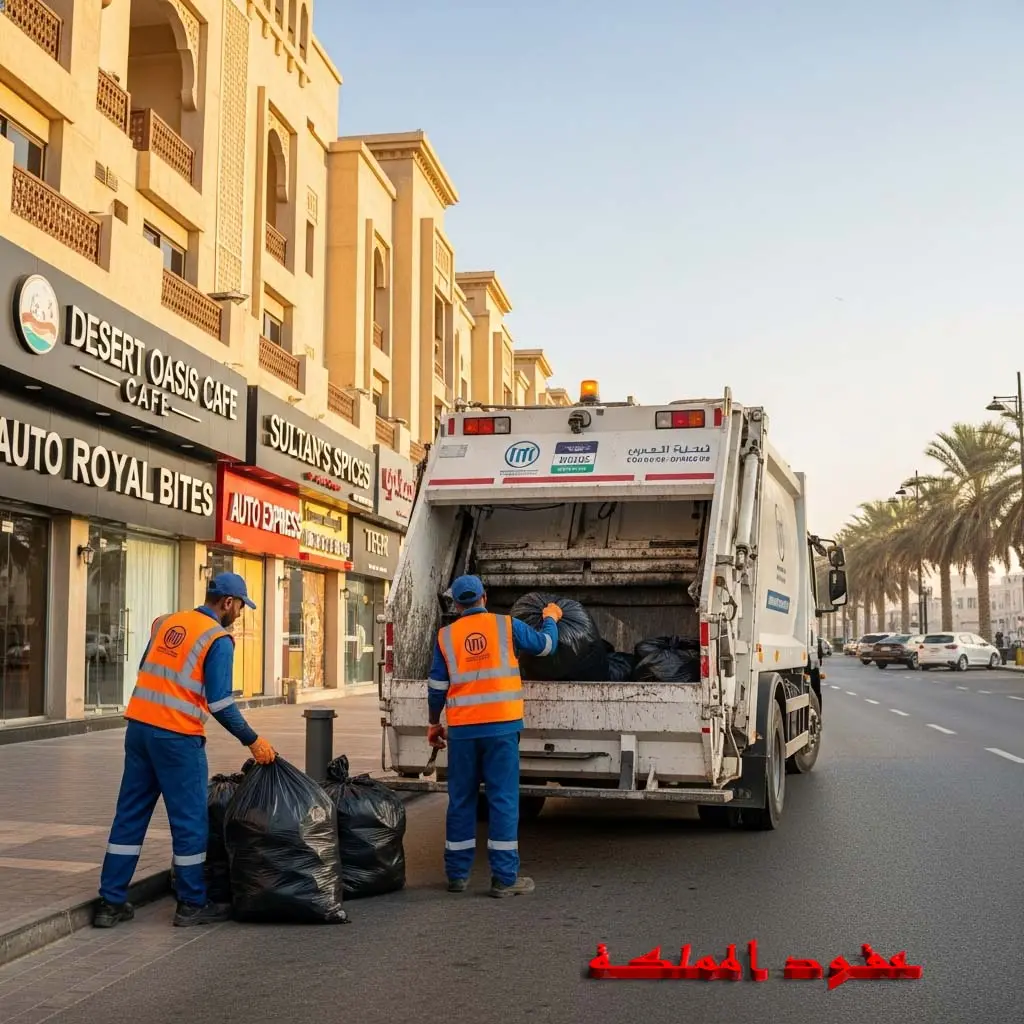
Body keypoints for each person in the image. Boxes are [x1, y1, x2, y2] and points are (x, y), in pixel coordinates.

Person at [93, 572, 277, 929]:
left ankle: (110, 902)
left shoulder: (165, 622)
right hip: (177, 738)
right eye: (240, 606)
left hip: (139, 730)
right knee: (190, 821)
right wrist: (252, 740)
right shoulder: (218, 639)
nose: (240, 613)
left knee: (130, 815)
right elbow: (221, 703)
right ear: (227, 603)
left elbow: (147, 668)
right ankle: (193, 903)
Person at [427, 575, 562, 898]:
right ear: (484, 597)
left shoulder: (445, 637)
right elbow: (546, 646)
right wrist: (550, 618)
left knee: (461, 800)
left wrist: (434, 723)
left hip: (461, 732)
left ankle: (457, 876)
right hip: (501, 729)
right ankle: (504, 878)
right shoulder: (507, 626)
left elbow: (436, 688)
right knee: (502, 801)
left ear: (457, 605)